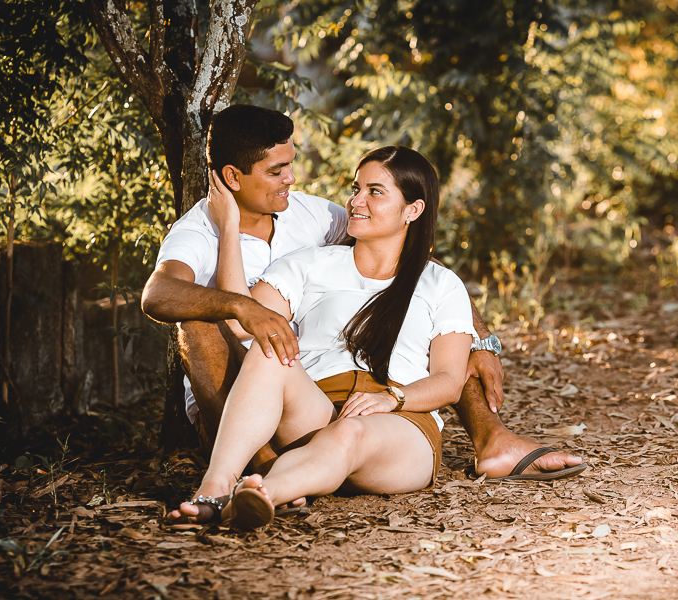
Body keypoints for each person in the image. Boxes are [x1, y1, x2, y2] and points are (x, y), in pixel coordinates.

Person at [140, 105, 586, 485]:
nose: (291, 179)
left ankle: (491, 438)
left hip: (308, 373)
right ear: (233, 177)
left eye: (290, 165)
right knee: (200, 319)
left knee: (435, 327)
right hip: (257, 376)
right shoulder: (197, 232)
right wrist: (240, 303)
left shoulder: (312, 215)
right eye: (277, 171)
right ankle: (243, 468)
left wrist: (480, 337)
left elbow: (402, 257)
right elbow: (159, 294)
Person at [170, 146, 480, 527]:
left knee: (350, 432)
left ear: (413, 210)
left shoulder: (441, 285)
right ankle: (216, 487)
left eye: (375, 192)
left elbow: (450, 382)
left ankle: (263, 494)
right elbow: (240, 322)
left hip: (401, 427)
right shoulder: (312, 263)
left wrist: (390, 398)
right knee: (271, 348)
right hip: (316, 413)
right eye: (356, 188)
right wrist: (229, 226)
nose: (355, 201)